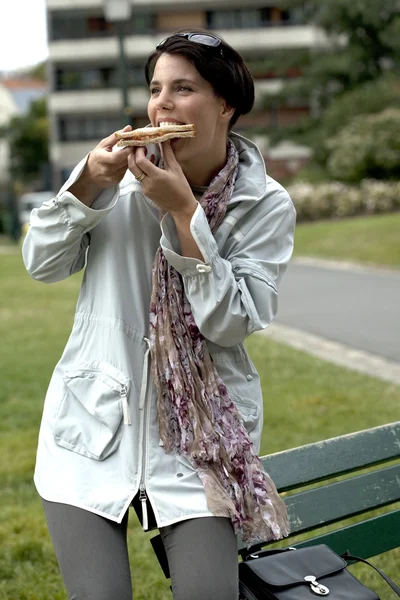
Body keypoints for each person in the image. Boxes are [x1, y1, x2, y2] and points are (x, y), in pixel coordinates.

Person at [22, 29, 296, 600]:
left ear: (226, 104)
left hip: (199, 447)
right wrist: (88, 184)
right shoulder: (115, 182)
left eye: (184, 88)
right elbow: (41, 263)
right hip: (90, 433)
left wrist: (182, 212)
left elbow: (230, 322)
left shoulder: (264, 204)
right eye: (155, 88)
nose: (161, 104)